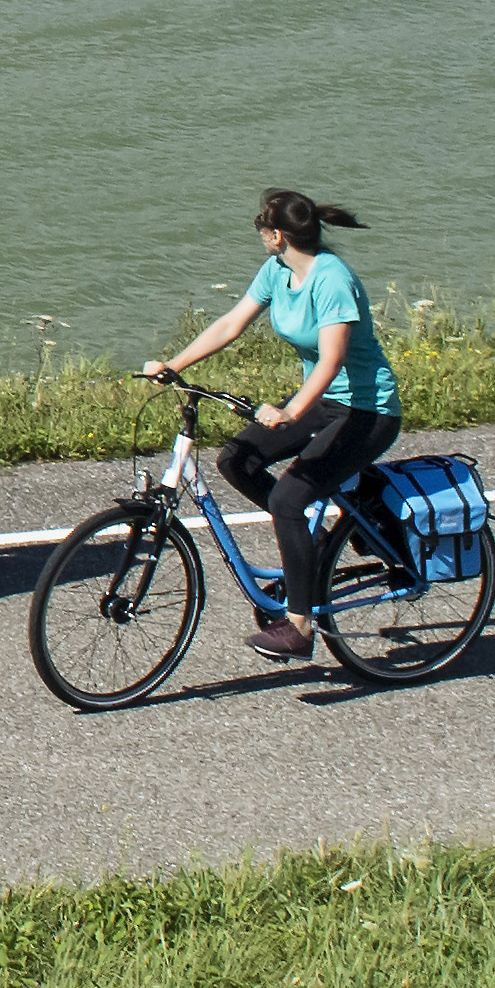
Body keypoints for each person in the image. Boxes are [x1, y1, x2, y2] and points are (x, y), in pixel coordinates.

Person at [146, 189, 400, 664]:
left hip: (368, 410)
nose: (260, 235)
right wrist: (174, 364)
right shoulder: (278, 270)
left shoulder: (332, 280)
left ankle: (300, 627)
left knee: (287, 496)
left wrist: (291, 413)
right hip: (324, 403)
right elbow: (230, 324)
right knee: (236, 461)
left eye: (262, 227)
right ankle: (306, 540)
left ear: (277, 234)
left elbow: (332, 359)